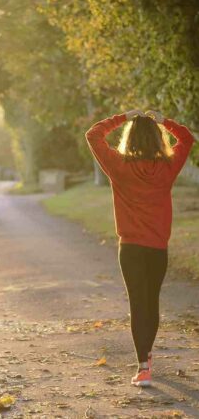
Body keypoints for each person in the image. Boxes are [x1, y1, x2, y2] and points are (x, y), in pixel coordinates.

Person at [85, 109, 195, 387]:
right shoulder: (167, 167)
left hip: (131, 249)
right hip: (157, 248)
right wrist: (164, 120)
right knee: (152, 302)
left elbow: (93, 135)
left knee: (138, 304)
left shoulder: (119, 166)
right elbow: (187, 138)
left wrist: (123, 117)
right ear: (158, 139)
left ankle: (143, 366)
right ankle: (146, 356)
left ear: (129, 138)